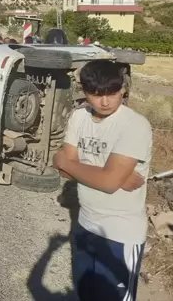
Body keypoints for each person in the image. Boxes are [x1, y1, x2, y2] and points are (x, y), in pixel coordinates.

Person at [53, 60, 152, 301]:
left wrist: (67, 162)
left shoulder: (134, 125)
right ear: (85, 93)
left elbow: (105, 182)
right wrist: (108, 173)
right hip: (86, 226)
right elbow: (66, 172)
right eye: (96, 94)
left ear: (122, 91)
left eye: (111, 93)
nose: (105, 101)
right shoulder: (79, 118)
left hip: (120, 235)